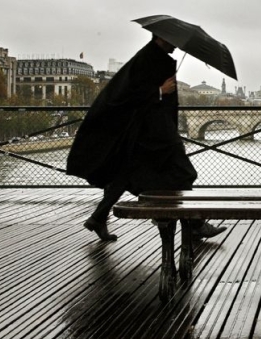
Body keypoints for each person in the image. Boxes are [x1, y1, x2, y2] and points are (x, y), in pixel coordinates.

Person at [66, 34, 226, 241]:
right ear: (161, 37)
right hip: (152, 134)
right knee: (182, 172)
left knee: (125, 175)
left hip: (149, 131)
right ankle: (194, 224)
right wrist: (160, 90)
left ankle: (98, 217)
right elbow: (127, 95)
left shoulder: (154, 57)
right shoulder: (147, 58)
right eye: (173, 41)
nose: (176, 45)